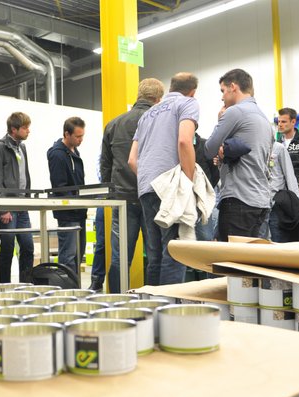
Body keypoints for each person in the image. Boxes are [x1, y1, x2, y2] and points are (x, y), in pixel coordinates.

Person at [128, 72, 199, 285]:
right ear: (193, 91)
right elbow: (185, 141)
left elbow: (132, 160)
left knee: (155, 253)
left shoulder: (147, 115)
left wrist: (151, 179)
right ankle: (171, 304)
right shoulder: (187, 103)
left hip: (146, 187)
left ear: (170, 88)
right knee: (175, 250)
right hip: (170, 187)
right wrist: (188, 182)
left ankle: (154, 301)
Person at [100, 77, 165, 293]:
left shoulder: (114, 124)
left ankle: (116, 301)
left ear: (138, 95)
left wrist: (112, 192)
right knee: (155, 255)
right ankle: (156, 300)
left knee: (120, 257)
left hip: (122, 199)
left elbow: (105, 165)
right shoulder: (159, 123)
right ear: (158, 99)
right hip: (152, 197)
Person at [205, 68, 271, 242]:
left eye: (223, 91)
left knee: (230, 257)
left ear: (233, 87)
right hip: (261, 200)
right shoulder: (263, 118)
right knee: (250, 256)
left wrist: (220, 121)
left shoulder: (234, 112)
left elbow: (209, 149)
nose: (222, 97)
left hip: (239, 198)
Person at [0, 112, 34, 283]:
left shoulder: (22, 147)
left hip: (22, 206)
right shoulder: (0, 147)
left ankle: (26, 285)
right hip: (7, 207)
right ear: (14, 129)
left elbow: (25, 175)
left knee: (28, 247)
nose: (28, 131)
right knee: (7, 249)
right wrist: (3, 209)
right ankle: (4, 286)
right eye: (25, 128)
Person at [47, 117, 87, 273]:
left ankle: (74, 285)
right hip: (68, 212)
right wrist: (75, 201)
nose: (81, 140)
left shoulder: (75, 152)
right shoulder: (57, 155)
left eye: (82, 136)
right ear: (66, 134)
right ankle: (66, 285)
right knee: (68, 255)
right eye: (77, 136)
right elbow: (60, 185)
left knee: (78, 254)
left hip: (79, 210)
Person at [277, 107, 299, 240]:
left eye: (284, 121)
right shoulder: (276, 144)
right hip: (281, 196)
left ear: (293, 122)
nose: (280, 124)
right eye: (279, 122)